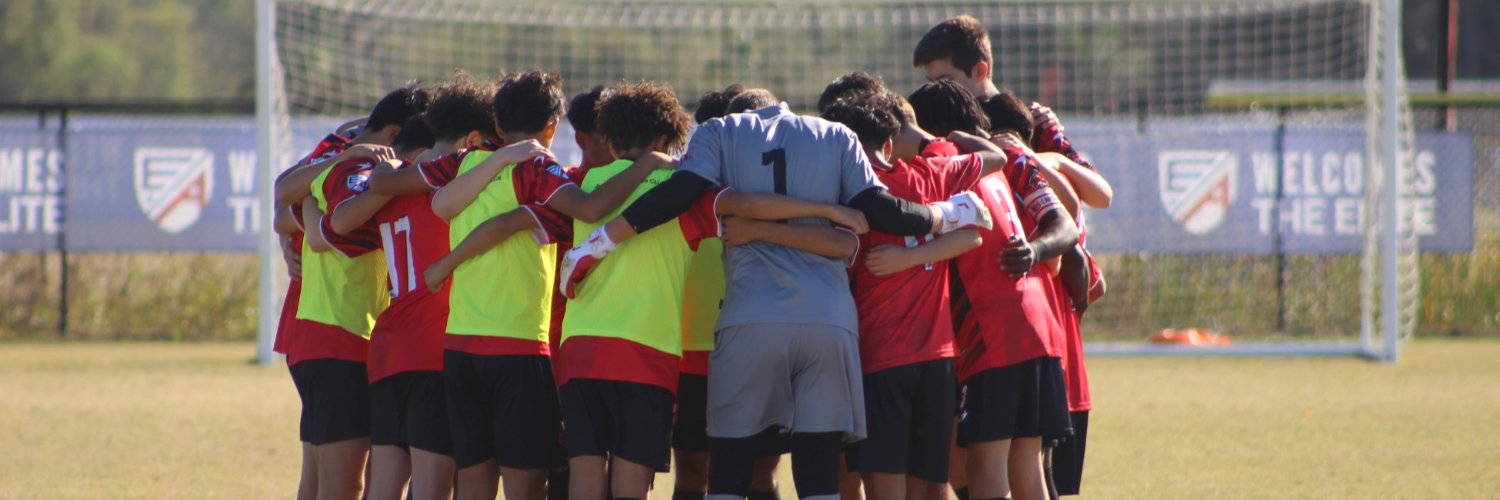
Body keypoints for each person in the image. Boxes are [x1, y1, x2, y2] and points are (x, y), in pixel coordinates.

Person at [560, 89, 993, 500]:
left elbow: (684, 193)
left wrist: (603, 241)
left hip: (749, 320)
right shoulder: (837, 135)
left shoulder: (719, 133)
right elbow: (878, 215)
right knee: (819, 470)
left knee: (728, 469)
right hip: (828, 321)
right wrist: (947, 214)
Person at [282, 84, 430, 500]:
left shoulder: (330, 165)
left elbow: (285, 209)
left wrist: (304, 223)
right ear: (396, 135)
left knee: (316, 480)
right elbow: (317, 225)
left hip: (316, 332)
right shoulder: (368, 174)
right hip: (342, 335)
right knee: (345, 486)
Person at [943, 120, 1080, 500]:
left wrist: (1034, 251)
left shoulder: (948, 163)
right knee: (1026, 463)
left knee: (985, 465)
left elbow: (1068, 223)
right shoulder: (1012, 158)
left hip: (992, 336)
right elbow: (1073, 214)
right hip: (1039, 328)